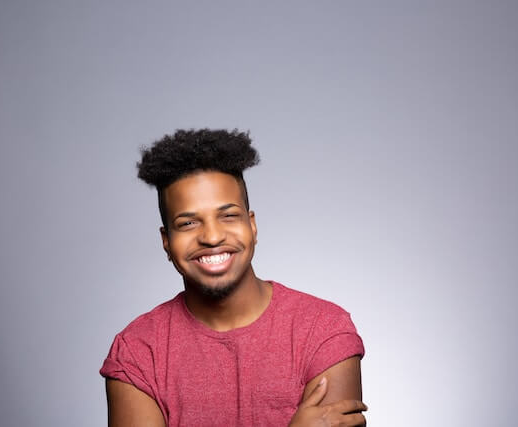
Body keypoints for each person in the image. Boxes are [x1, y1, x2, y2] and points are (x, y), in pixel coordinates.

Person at [100, 129, 367, 426]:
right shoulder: (138, 352)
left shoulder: (322, 330)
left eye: (228, 216)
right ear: (166, 241)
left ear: (252, 226)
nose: (212, 237)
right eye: (188, 223)